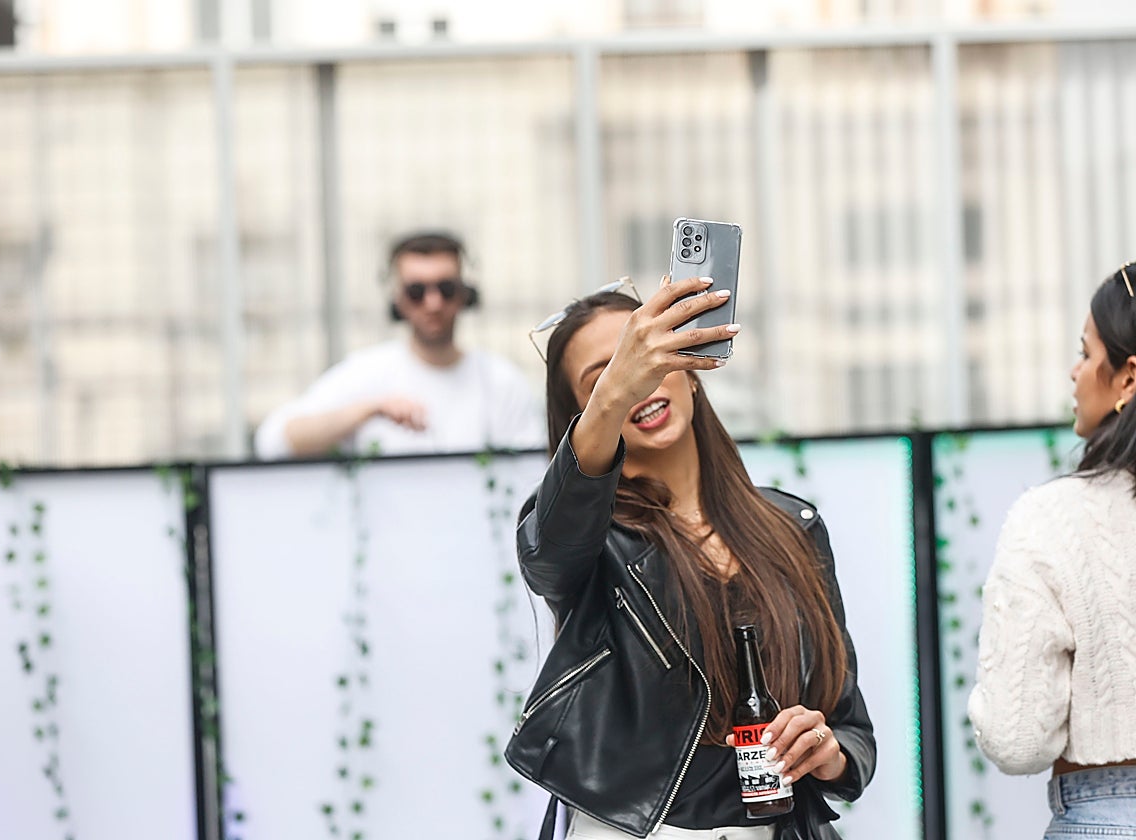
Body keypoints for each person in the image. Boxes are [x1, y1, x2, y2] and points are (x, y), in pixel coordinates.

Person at [504, 276, 876, 840]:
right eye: (605, 378)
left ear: (692, 371)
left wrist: (824, 750)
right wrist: (616, 392)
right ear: (586, 414)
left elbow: (852, 729)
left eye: (654, 359)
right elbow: (545, 555)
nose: (640, 384)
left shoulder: (792, 529)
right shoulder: (589, 537)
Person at [969, 261, 1136, 837]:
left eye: (1087, 354)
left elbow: (1016, 740)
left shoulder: (1053, 519)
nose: (1075, 372)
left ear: (1128, 378)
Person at [253, 231, 543, 459]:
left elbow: (531, 475)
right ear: (398, 300)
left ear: (464, 294)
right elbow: (274, 441)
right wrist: (370, 410)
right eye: (417, 291)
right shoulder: (365, 374)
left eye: (445, 288)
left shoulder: (501, 381)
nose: (433, 303)